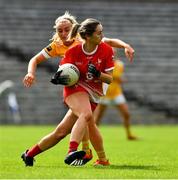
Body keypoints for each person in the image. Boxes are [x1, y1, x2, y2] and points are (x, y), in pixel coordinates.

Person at [21, 11, 135, 167]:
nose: (63, 33)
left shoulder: (86, 39)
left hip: (94, 90)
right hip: (75, 87)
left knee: (62, 131)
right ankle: (74, 151)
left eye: (67, 29)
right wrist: (35, 74)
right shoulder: (58, 47)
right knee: (87, 115)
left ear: (74, 29)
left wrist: (125, 45)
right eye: (60, 30)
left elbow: (108, 41)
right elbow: (40, 61)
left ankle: (29, 154)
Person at [55, 18, 114, 166]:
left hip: (95, 91)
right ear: (88, 36)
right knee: (87, 118)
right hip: (77, 90)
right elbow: (62, 71)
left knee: (82, 125)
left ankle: (97, 157)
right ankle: (75, 151)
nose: (102, 36)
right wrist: (59, 77)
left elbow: (109, 79)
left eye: (102, 32)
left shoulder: (105, 48)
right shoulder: (72, 50)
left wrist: (98, 74)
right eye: (99, 33)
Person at [94, 58, 137, 140]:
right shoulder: (102, 63)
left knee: (126, 113)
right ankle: (93, 136)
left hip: (117, 93)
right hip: (105, 93)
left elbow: (119, 77)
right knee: (98, 117)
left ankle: (129, 134)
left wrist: (121, 79)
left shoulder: (120, 64)